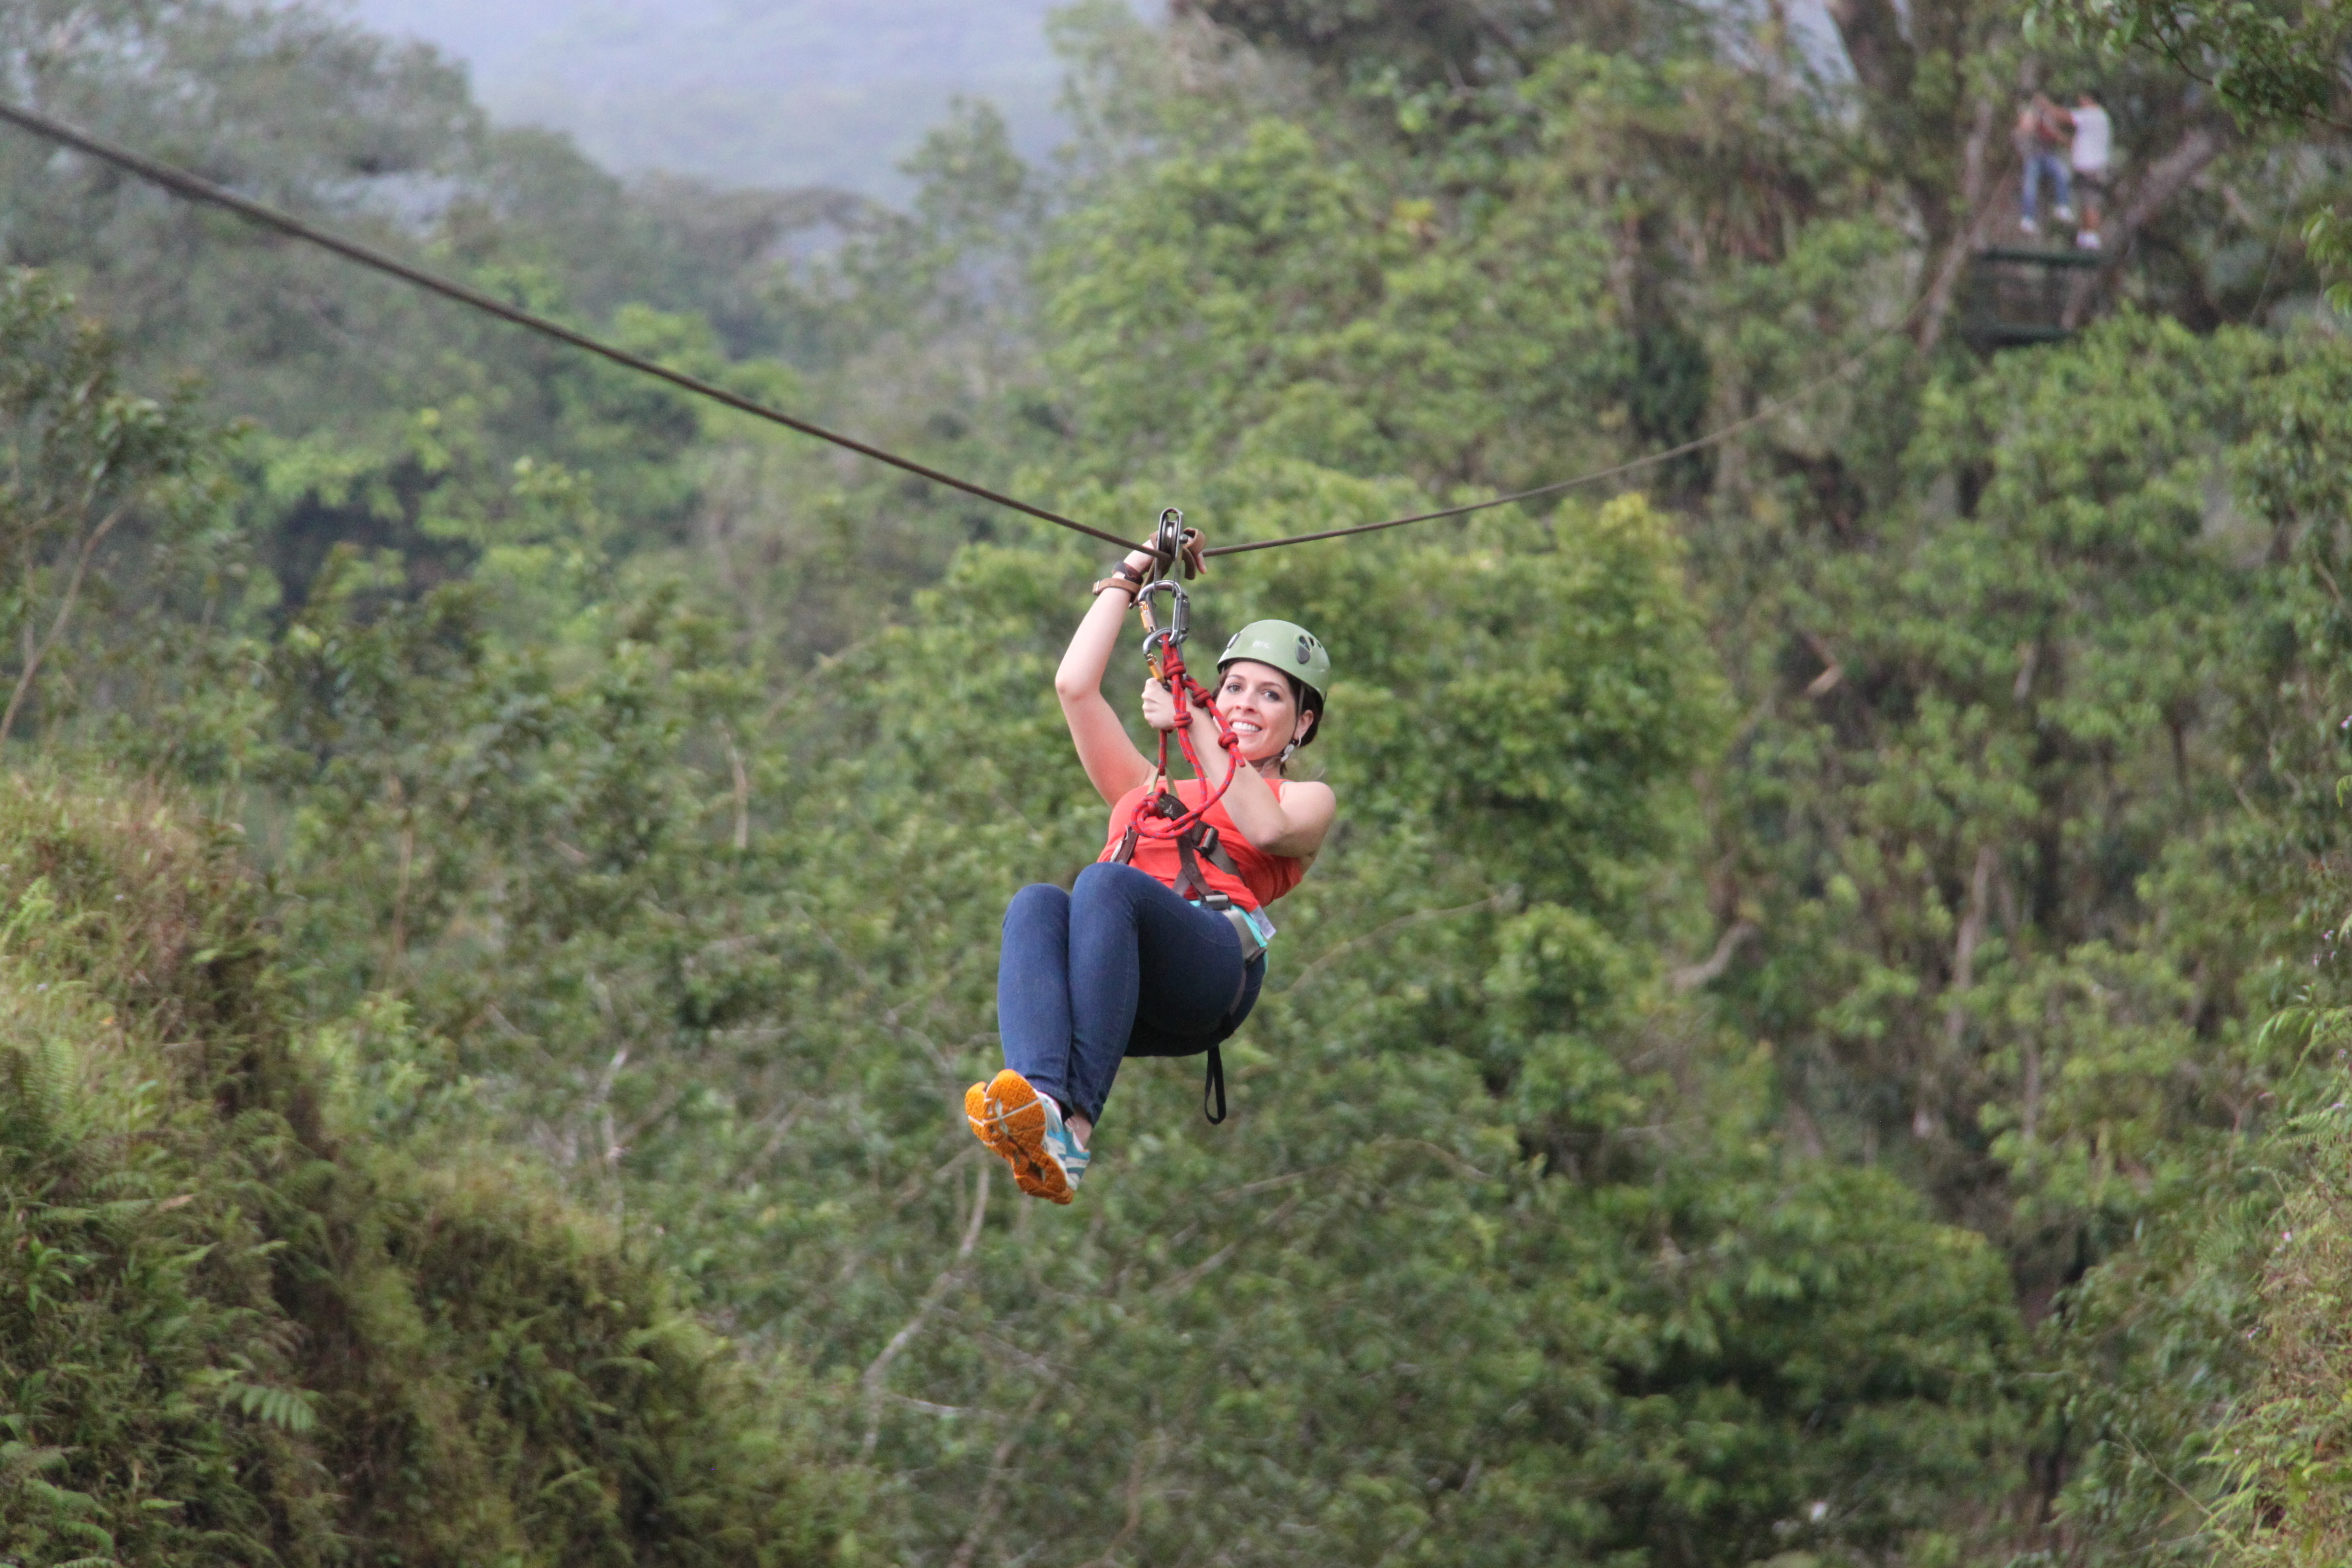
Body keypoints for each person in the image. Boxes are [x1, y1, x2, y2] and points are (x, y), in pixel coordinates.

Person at [964, 547, 1337, 1203]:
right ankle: (1046, 1107)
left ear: (1301, 724)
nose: (1246, 704)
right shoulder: (1148, 785)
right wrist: (1131, 572)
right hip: (1121, 985)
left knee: (1106, 885)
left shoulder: (1304, 801)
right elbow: (1073, 686)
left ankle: (1077, 1123)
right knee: (1036, 904)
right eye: (1236, 687)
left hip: (1212, 968)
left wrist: (1194, 719)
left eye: (1271, 695)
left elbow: (1266, 831)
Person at [2016, 93, 2074, 236]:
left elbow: (2051, 135)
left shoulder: (2045, 118)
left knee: (2062, 172)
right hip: (2032, 157)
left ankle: (2062, 205)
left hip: (2046, 155)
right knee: (2030, 186)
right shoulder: (2025, 118)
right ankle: (2028, 217)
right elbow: (2024, 131)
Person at [2069, 91, 2113, 248]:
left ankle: (2092, 235)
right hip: (2090, 167)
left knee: (2090, 202)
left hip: (2092, 169)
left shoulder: (2092, 114)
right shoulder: (2100, 118)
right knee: (2085, 201)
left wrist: (2045, 105)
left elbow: (2066, 116)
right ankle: (2086, 233)